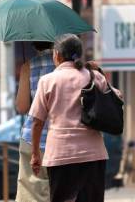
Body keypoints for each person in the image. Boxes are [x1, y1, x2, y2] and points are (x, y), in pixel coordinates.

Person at [30, 34, 119, 202]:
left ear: (57, 54)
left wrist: (35, 154)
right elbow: (116, 98)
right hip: (93, 154)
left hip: (60, 155)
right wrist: (98, 72)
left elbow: (37, 122)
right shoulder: (94, 77)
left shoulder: (47, 81)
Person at [15, 42, 55, 202]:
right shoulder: (70, 66)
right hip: (64, 140)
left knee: (32, 195)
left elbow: (22, 106)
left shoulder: (28, 66)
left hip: (33, 141)